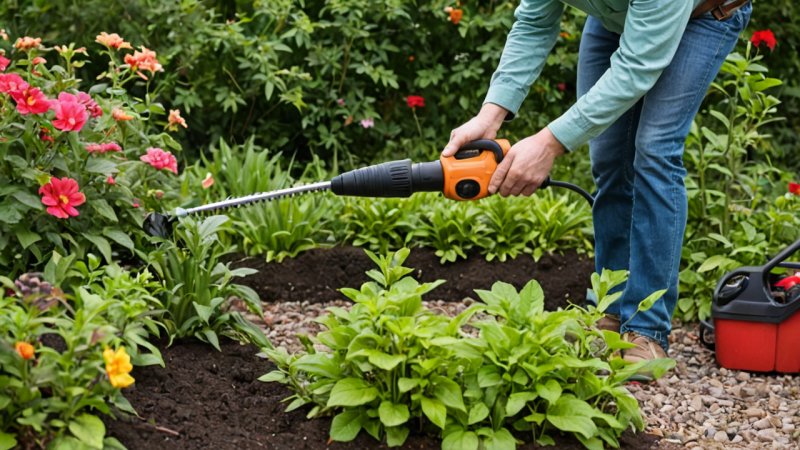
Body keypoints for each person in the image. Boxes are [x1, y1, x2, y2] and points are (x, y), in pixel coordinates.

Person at [443, 0, 751, 366]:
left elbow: (638, 67)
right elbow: (534, 24)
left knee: (654, 149)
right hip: (616, 17)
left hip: (703, 16)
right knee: (609, 156)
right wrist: (490, 115)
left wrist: (548, 143)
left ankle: (647, 328)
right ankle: (610, 309)